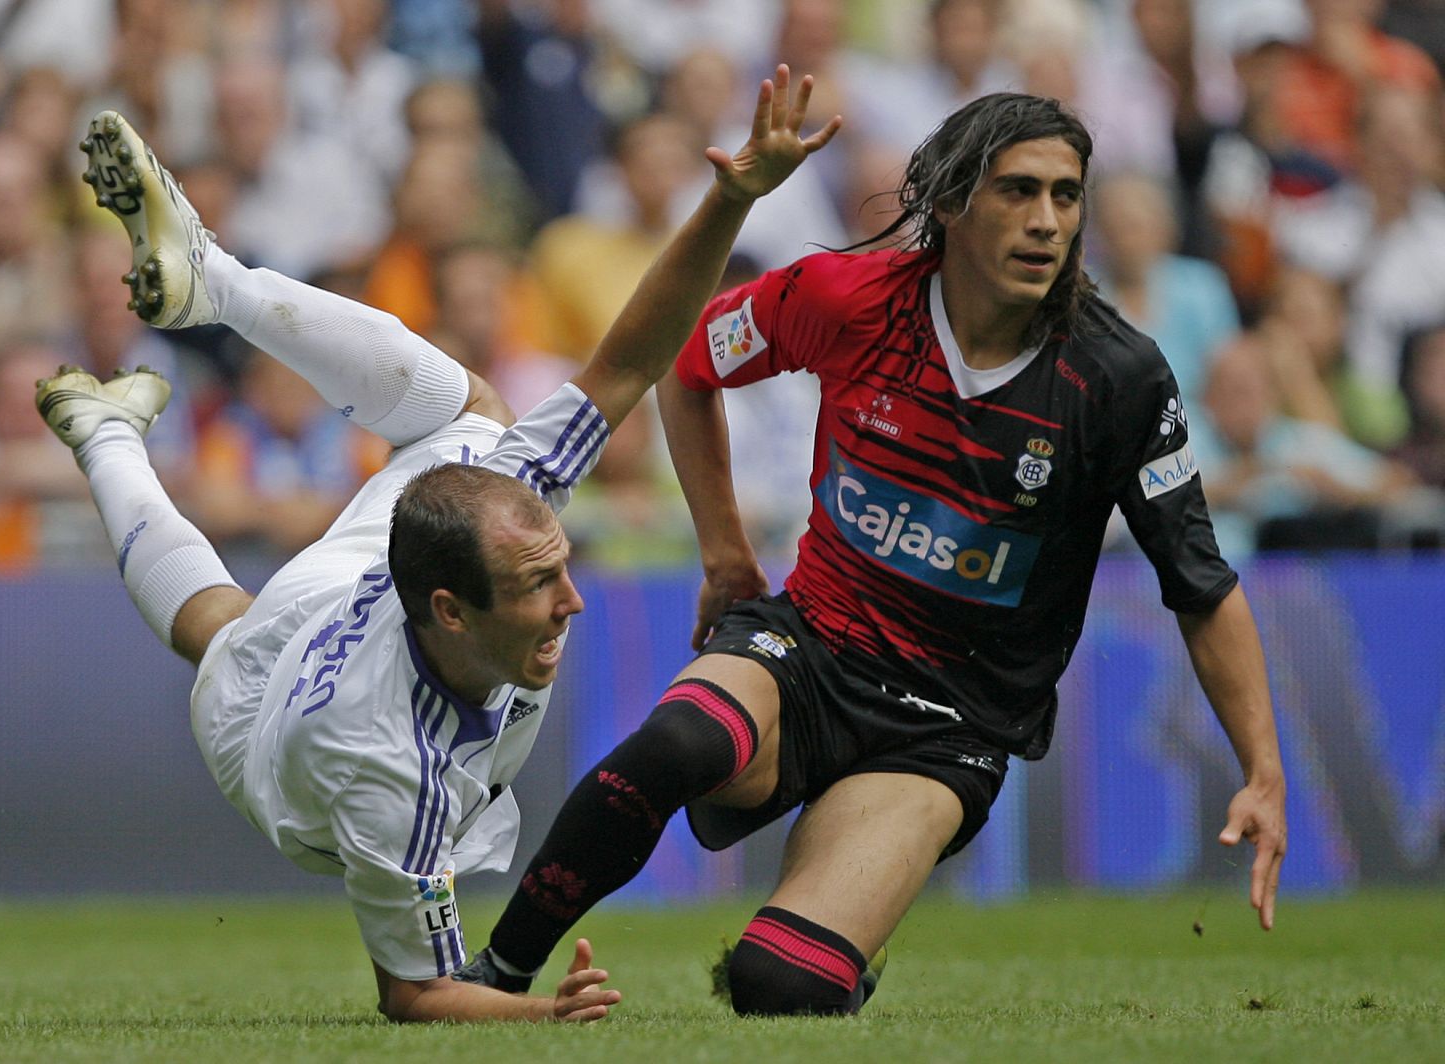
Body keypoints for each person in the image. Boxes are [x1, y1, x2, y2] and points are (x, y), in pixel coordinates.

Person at [36, 68, 839, 1023]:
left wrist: (731, 197)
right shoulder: (388, 770)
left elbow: (628, 357)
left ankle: (210, 290)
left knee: (467, 418)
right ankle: (106, 428)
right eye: (540, 587)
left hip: (366, 595)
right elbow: (414, 996)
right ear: (454, 611)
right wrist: (551, 1016)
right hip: (263, 734)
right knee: (218, 633)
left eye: (561, 570)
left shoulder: (504, 506)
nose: (573, 602)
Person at [467, 91, 1288, 1017]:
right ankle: (492, 976)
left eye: (1067, 196)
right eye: (1018, 192)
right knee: (673, 744)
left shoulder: (1120, 379)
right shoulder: (846, 297)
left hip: (951, 725)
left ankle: (847, 935)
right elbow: (691, 363)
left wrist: (1262, 769)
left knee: (775, 989)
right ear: (947, 203)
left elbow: (1201, 583)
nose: (1047, 221)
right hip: (808, 649)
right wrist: (727, 557)